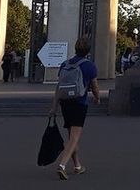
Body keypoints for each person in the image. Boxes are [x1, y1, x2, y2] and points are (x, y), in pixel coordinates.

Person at [48, 37, 100, 180]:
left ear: (75, 49)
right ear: (88, 50)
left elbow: (59, 86)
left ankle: (77, 166)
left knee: (72, 137)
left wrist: (54, 106)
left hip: (65, 102)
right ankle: (62, 166)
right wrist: (97, 97)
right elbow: (94, 86)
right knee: (74, 137)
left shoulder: (65, 64)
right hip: (79, 103)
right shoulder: (89, 66)